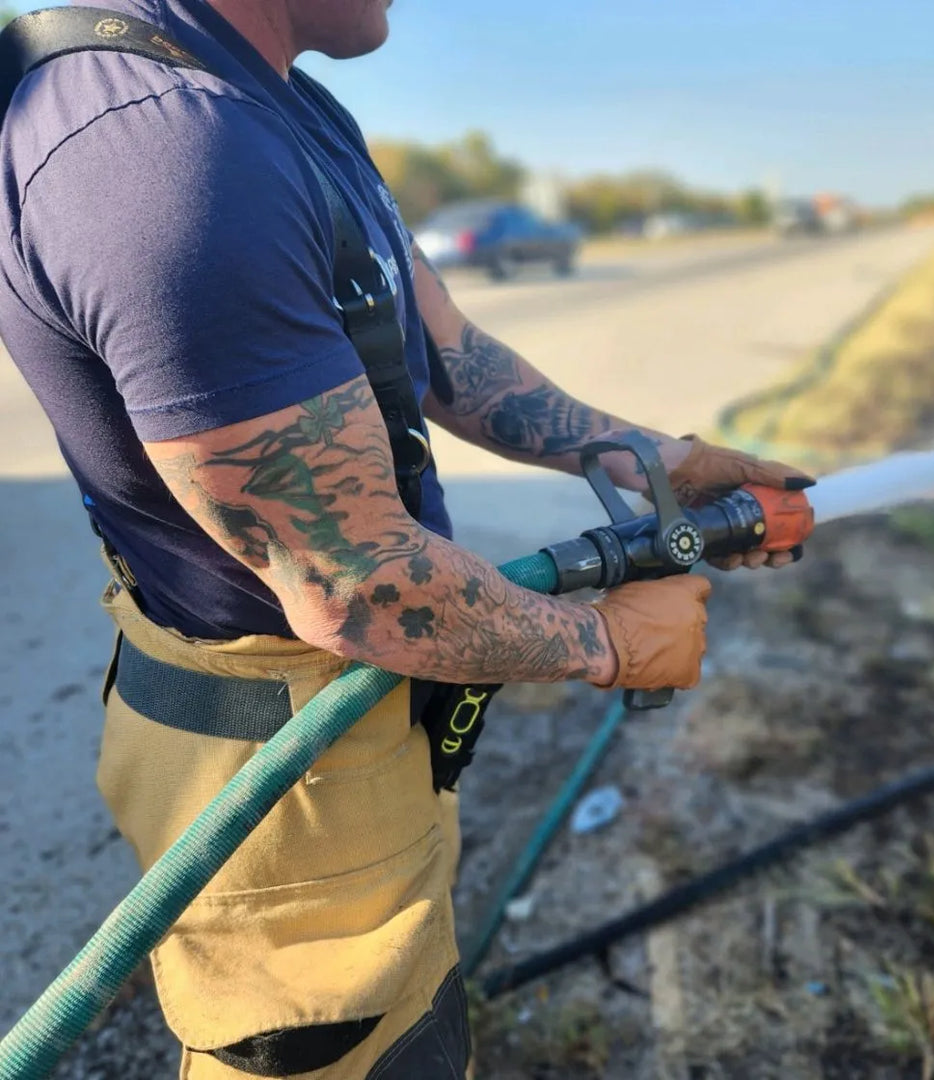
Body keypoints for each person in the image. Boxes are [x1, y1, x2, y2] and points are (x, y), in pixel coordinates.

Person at [0, 0, 812, 1076]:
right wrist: (608, 644)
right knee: (354, 1047)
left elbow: (446, 357)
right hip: (289, 767)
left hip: (351, 715)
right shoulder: (169, 151)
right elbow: (361, 589)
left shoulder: (279, 105)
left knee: (413, 1016)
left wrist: (657, 459)